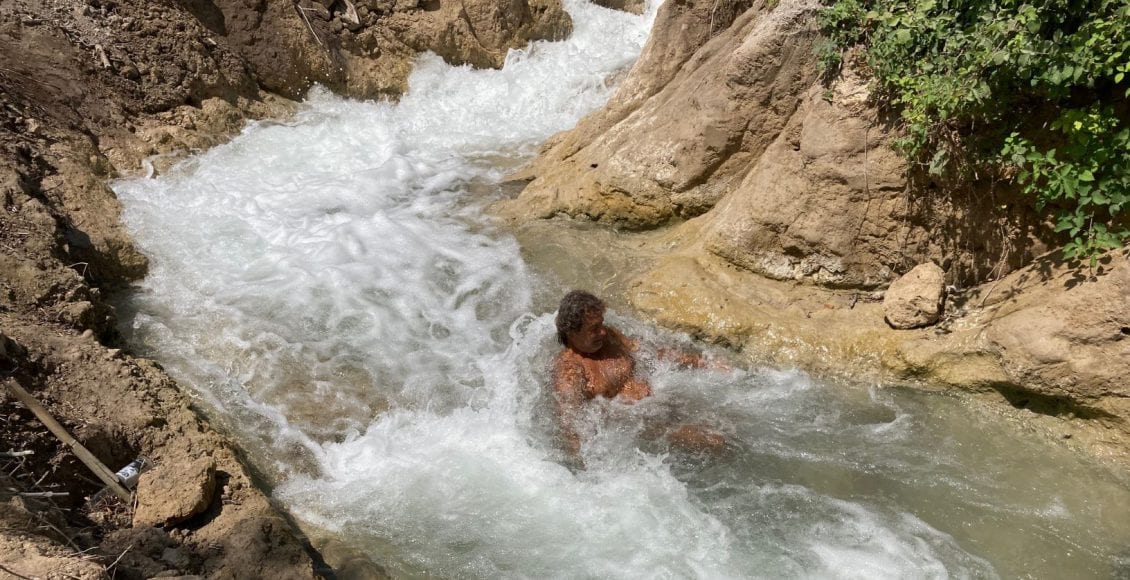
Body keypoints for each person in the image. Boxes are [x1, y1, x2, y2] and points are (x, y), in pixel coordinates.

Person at [551, 290, 725, 467]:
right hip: (641, 426)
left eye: (601, 324)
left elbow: (650, 353)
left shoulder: (608, 337)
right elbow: (570, 422)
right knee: (716, 442)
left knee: (729, 425)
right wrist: (584, 469)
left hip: (660, 403)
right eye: (594, 329)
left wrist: (701, 362)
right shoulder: (569, 370)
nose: (603, 331)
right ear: (572, 333)